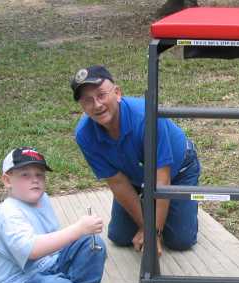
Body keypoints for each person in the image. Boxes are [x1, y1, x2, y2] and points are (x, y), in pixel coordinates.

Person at [0, 147, 138, 283]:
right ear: (7, 180)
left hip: (49, 273)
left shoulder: (42, 199)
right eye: (25, 175)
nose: (35, 180)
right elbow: (32, 250)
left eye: (39, 175)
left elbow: (56, 248)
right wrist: (78, 228)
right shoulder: (7, 213)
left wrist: (81, 235)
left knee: (92, 244)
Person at [70, 65, 200, 256]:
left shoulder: (147, 118)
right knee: (120, 237)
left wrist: (154, 232)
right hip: (135, 178)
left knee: (180, 241)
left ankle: (180, 208)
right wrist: (146, 227)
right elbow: (117, 182)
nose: (97, 105)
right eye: (88, 100)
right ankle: (150, 207)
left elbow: (162, 181)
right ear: (82, 106)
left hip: (178, 170)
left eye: (101, 95)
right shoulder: (84, 134)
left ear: (117, 93)